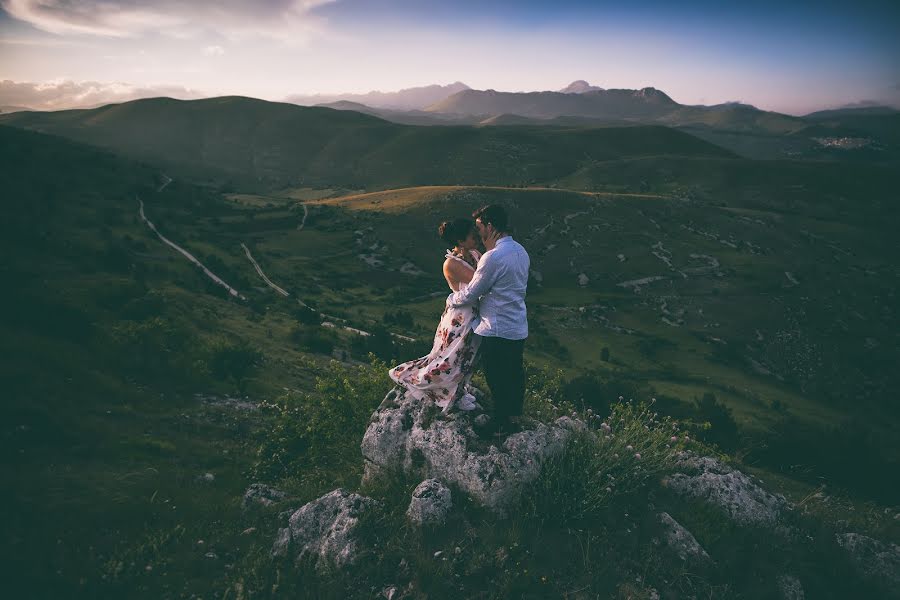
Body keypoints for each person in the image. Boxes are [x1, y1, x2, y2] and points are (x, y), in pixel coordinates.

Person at [447, 205, 530, 436]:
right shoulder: (521, 251)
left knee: (497, 377)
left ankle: (500, 423)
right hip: (517, 325)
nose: (478, 231)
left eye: (480, 227)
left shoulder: (492, 258)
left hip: (496, 327)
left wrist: (452, 298)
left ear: (490, 226)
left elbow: (473, 292)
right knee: (514, 374)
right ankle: (514, 418)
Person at [388, 218, 482, 413]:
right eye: (472, 235)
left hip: (474, 314)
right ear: (460, 240)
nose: (476, 236)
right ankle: (420, 381)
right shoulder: (451, 264)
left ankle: (459, 392)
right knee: (451, 359)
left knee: (468, 357)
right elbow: (480, 283)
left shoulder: (474, 253)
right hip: (460, 318)